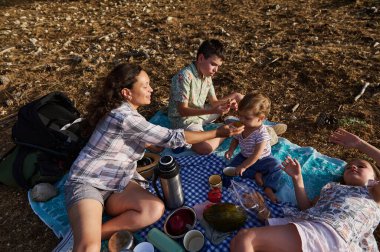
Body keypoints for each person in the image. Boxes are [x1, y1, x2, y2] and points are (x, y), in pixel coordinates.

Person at [64, 63, 244, 252]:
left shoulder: (129, 114)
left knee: (154, 209)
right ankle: (86, 239)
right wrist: (217, 133)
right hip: (89, 182)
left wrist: (154, 141)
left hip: (118, 181)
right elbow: (173, 137)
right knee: (88, 248)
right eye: (145, 85)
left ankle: (91, 233)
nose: (151, 89)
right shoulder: (124, 117)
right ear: (127, 93)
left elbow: (157, 145)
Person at [230, 128, 380, 252]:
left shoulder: (373, 192)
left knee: (245, 239)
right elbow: (307, 208)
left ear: (375, 178)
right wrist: (297, 178)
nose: (353, 166)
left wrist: (360, 144)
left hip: (331, 233)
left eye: (361, 166)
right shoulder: (331, 188)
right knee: (242, 241)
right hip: (317, 232)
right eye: (349, 166)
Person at [168, 39, 244, 155]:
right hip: (184, 121)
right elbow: (182, 111)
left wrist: (227, 103)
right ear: (201, 58)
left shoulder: (206, 75)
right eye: (213, 64)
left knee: (238, 96)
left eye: (218, 66)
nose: (216, 70)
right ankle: (229, 128)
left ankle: (256, 122)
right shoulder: (184, 76)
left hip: (202, 113)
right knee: (204, 148)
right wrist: (213, 111)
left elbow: (214, 102)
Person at [225, 92, 283, 202]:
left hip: (263, 158)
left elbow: (256, 155)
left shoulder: (261, 134)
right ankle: (256, 174)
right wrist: (231, 150)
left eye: (246, 118)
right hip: (244, 156)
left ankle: (269, 188)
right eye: (240, 115)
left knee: (277, 167)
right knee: (232, 168)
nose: (241, 120)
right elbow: (236, 139)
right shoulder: (241, 126)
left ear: (260, 118)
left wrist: (244, 166)